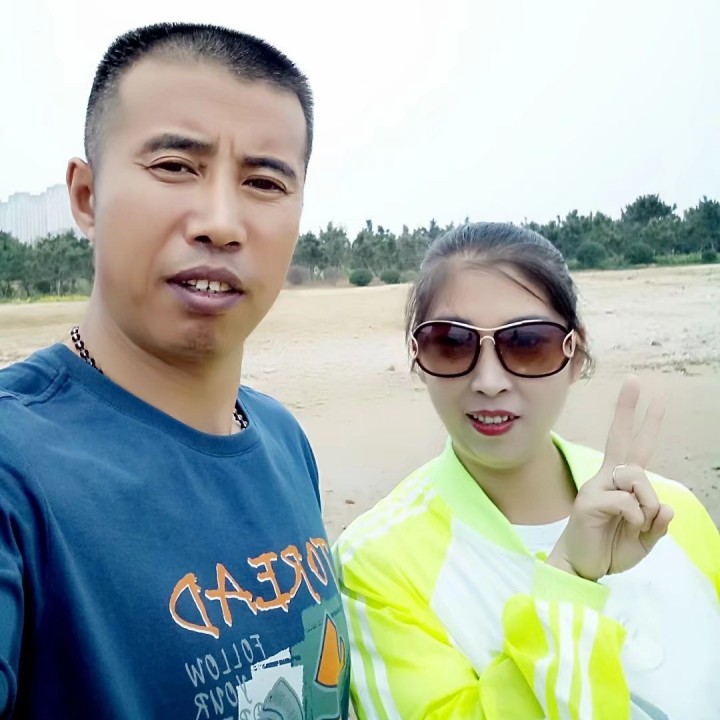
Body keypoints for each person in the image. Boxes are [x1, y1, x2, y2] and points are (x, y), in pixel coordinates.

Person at [0, 23, 349, 719]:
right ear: (86, 196)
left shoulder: (283, 439)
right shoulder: (17, 467)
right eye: (175, 166)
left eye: (264, 181)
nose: (221, 222)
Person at [334, 222, 720, 719]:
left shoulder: (672, 509)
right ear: (417, 357)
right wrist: (570, 576)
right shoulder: (376, 563)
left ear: (575, 355)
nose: (489, 381)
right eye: (450, 343)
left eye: (528, 343)